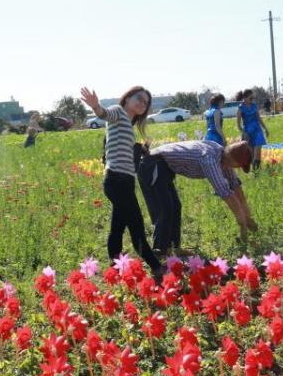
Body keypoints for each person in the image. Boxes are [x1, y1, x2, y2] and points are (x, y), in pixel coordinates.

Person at [80, 85, 164, 278]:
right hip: (116, 179)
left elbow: (121, 148)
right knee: (137, 227)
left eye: (146, 102)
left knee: (117, 226)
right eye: (139, 98)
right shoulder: (118, 112)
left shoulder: (127, 123)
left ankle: (115, 268)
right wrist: (96, 107)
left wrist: (141, 149)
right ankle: (157, 268)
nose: (143, 103)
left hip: (124, 181)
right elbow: (104, 114)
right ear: (127, 99)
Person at [138, 140, 256, 253]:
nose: (236, 169)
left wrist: (247, 215)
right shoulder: (209, 159)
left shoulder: (222, 156)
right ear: (232, 160)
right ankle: (160, 252)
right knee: (165, 209)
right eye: (238, 166)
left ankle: (173, 248)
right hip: (152, 164)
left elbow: (235, 186)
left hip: (164, 167)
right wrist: (242, 222)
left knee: (175, 207)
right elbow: (226, 193)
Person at [235, 89, 268, 170]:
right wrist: (244, 133)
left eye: (253, 98)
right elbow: (238, 125)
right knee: (252, 154)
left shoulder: (254, 105)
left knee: (258, 151)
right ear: (245, 98)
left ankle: (257, 171)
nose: (252, 100)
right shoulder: (240, 108)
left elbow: (258, 118)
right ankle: (255, 172)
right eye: (250, 98)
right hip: (248, 133)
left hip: (258, 130)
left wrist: (265, 128)